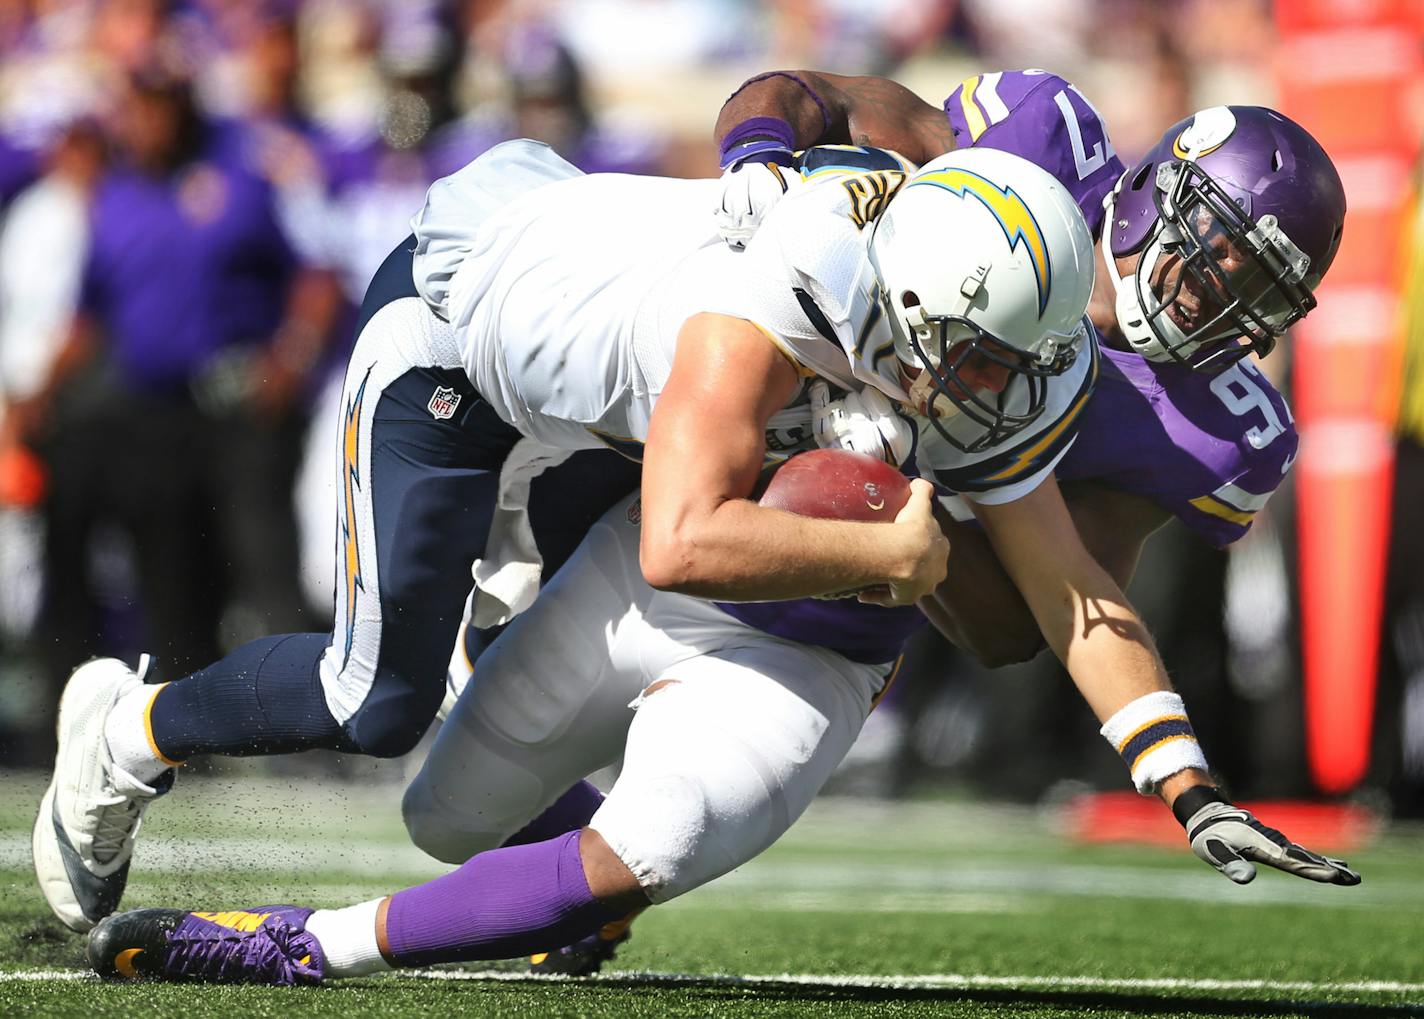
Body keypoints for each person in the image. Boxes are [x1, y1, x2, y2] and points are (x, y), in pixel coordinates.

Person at [83, 146, 1357, 988]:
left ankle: (304, 944)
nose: (997, 396)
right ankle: (155, 727)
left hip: (806, 648)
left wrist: (1184, 781)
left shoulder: (1018, 353)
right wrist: (894, 550)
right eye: (975, 362)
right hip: (551, 424)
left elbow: (1071, 591)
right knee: (435, 798)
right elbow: (680, 534)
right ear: (902, 311)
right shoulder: (770, 299)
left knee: (661, 833)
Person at [34, 136, 967, 934]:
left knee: (511, 653)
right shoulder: (741, 340)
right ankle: (126, 732)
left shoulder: (848, 244)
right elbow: (680, 546)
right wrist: (890, 554)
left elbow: (799, 94)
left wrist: (763, 138)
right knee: (371, 701)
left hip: (578, 367)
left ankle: (551, 883)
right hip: (452, 357)